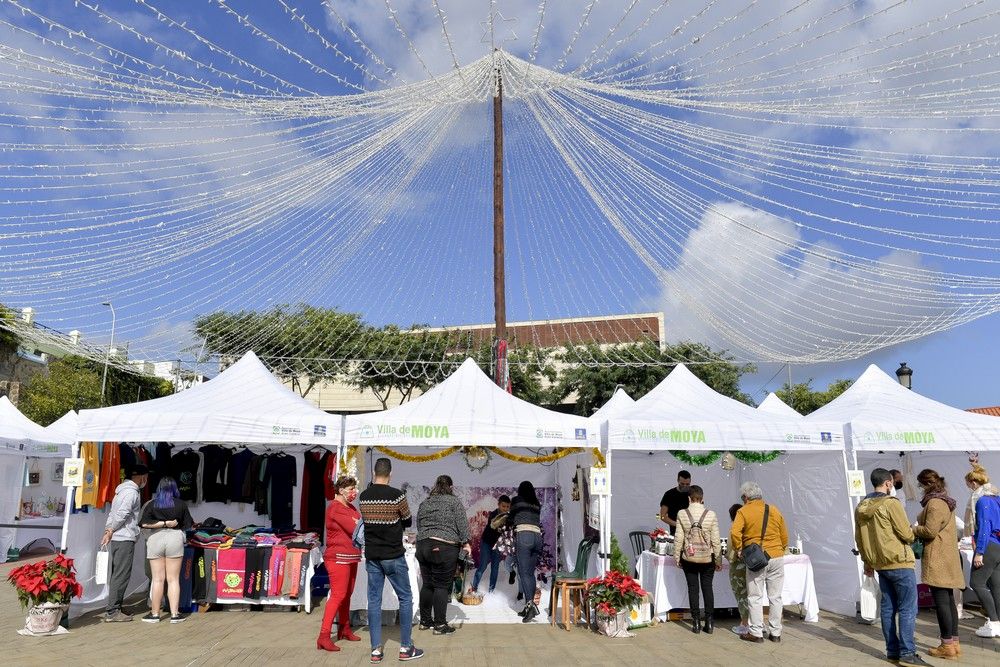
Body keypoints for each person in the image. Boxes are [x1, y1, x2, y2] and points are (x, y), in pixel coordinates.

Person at [855, 468, 927, 667]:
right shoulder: (891, 504)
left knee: (888, 608)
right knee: (907, 608)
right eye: (892, 483)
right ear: (888, 483)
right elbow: (906, 534)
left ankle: (892, 651)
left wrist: (867, 562)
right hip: (899, 561)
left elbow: (859, 538)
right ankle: (907, 652)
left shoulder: (861, 506)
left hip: (879, 564)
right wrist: (913, 532)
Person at [358, 458, 424, 663]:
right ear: (390, 473)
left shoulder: (364, 496)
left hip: (372, 556)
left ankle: (376, 650)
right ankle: (405, 647)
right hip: (393, 555)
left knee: (374, 602)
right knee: (405, 598)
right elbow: (407, 520)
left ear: (374, 473)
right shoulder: (397, 495)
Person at [913, 468, 965, 660]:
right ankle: (954, 643)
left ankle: (947, 645)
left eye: (920, 485)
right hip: (948, 556)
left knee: (942, 602)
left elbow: (929, 531)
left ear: (926, 485)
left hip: (938, 558)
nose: (920, 490)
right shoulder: (945, 500)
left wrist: (914, 529)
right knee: (949, 600)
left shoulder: (935, 503)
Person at [730, 481, 787, 644]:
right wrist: (780, 549)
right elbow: (784, 534)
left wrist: (739, 548)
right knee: (775, 597)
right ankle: (775, 633)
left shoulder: (743, 511)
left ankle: (756, 632)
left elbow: (735, 532)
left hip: (757, 558)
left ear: (746, 497)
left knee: (755, 596)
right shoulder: (774, 509)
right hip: (776, 556)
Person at [415, 475, 471, 635]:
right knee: (441, 585)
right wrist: (466, 543)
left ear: (435, 486)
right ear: (451, 487)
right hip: (444, 546)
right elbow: (462, 525)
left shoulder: (425, 503)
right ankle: (440, 625)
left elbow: (419, 524)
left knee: (427, 584)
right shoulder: (454, 502)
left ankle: (425, 622)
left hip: (423, 545)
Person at [138, 476, 193, 623]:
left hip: (155, 539)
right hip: (174, 539)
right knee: (173, 579)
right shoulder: (180, 504)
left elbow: (142, 524)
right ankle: (175, 614)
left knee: (157, 579)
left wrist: (162, 523)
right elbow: (188, 524)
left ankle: (155, 614)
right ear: (175, 488)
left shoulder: (152, 504)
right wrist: (170, 524)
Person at [317, 475, 362, 652]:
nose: (354, 492)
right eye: (351, 489)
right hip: (338, 557)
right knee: (338, 595)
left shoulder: (350, 507)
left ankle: (345, 628)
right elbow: (356, 528)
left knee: (346, 594)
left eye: (354, 489)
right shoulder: (335, 508)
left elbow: (359, 524)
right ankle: (324, 636)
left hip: (351, 556)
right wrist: (358, 523)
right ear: (341, 490)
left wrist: (358, 523)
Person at [100, 463, 148, 622]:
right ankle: (113, 611)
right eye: (145, 477)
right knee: (121, 574)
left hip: (118, 537)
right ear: (141, 477)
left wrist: (109, 530)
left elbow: (113, 513)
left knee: (117, 573)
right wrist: (111, 530)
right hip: (124, 537)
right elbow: (122, 514)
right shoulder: (132, 493)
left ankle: (116, 606)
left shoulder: (120, 492)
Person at [674, 485, 721, 634]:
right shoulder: (711, 514)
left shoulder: (682, 514)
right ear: (702, 499)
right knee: (708, 588)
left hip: (689, 557)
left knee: (692, 589)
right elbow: (716, 540)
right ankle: (709, 622)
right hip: (707, 558)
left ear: (689, 498)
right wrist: (718, 560)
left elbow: (678, 538)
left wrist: (677, 556)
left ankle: (695, 623)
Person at [509, 480, 542, 622]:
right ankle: (528, 607)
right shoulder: (536, 503)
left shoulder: (516, 500)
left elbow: (511, 519)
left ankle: (531, 606)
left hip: (524, 536)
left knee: (524, 573)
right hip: (538, 537)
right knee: (530, 573)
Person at [971, 490, 1000, 638]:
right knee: (996, 586)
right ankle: (997, 623)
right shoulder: (997, 500)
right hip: (997, 546)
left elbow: (984, 526)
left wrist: (980, 552)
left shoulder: (983, 501)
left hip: (989, 545)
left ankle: (993, 623)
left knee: (977, 583)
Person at [471, 494, 511, 594]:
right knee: (483, 566)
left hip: (497, 545)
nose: (505, 508)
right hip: (487, 543)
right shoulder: (493, 514)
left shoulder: (509, 517)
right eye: (503, 506)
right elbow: (494, 525)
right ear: (498, 505)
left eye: (507, 507)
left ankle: (491, 592)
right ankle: (474, 588)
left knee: (495, 567)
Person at [726, 503, 750, 635]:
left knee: (741, 594)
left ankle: (745, 623)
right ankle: (757, 623)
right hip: (751, 565)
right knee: (754, 594)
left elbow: (731, 549)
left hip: (738, 565)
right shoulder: (750, 527)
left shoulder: (735, 529)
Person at [964, 462, 999, 539]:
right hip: (995, 534)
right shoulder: (995, 496)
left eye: (968, 485)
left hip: (985, 537)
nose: (970, 489)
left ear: (973, 483)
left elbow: (982, 523)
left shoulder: (977, 498)